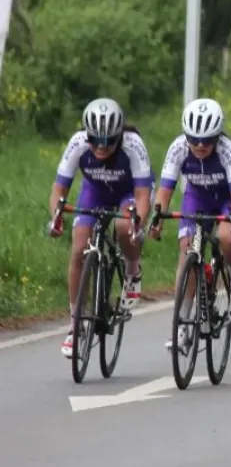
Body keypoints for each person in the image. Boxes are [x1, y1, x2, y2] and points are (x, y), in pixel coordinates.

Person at [48, 98, 153, 358]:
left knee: (123, 224)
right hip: (94, 192)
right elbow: (59, 190)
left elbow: (142, 195)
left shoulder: (133, 145)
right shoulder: (78, 143)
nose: (101, 147)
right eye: (95, 140)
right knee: (79, 248)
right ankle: (76, 325)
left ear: (119, 136)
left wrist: (137, 224)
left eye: (108, 141)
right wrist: (56, 218)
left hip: (128, 193)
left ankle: (132, 272)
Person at [150, 98, 231, 352]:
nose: (199, 145)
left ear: (218, 137)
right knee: (187, 248)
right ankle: (181, 325)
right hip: (198, 196)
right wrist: (157, 218)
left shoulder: (228, 152)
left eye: (206, 140)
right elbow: (164, 191)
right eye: (193, 139)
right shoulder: (177, 148)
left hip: (230, 197)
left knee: (228, 237)